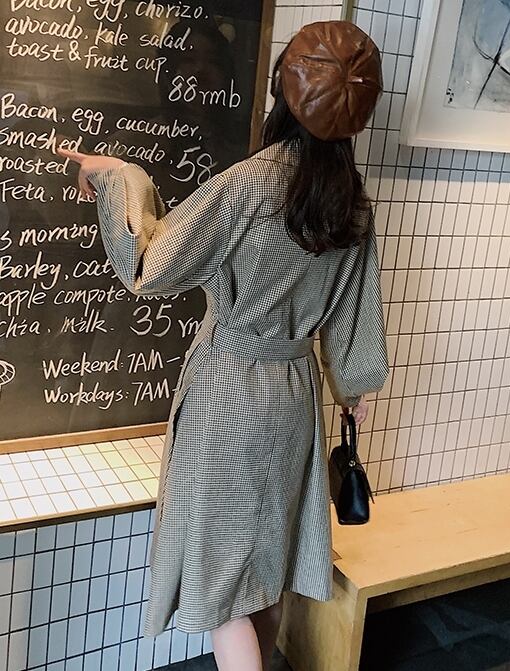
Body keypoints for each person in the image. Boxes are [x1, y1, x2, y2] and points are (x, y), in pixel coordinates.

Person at [58, 20, 389, 671]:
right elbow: (354, 320)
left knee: (221, 575)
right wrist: (352, 389)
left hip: (231, 390)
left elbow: (151, 262)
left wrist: (119, 175)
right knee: (264, 564)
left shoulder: (248, 186)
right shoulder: (351, 201)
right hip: (294, 394)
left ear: (283, 90)